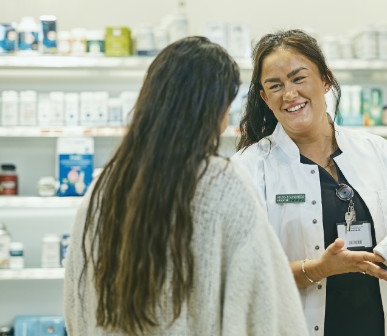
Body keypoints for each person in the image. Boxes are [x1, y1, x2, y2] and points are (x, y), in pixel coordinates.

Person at [63, 36, 308, 336]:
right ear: (214, 110)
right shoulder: (222, 184)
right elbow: (268, 306)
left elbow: (76, 301)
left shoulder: (103, 189)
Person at [232, 29, 387, 336]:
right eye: (275, 86)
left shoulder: (378, 152)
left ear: (325, 79)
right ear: (265, 97)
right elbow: (243, 277)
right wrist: (319, 269)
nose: (289, 94)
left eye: (298, 78)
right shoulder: (249, 168)